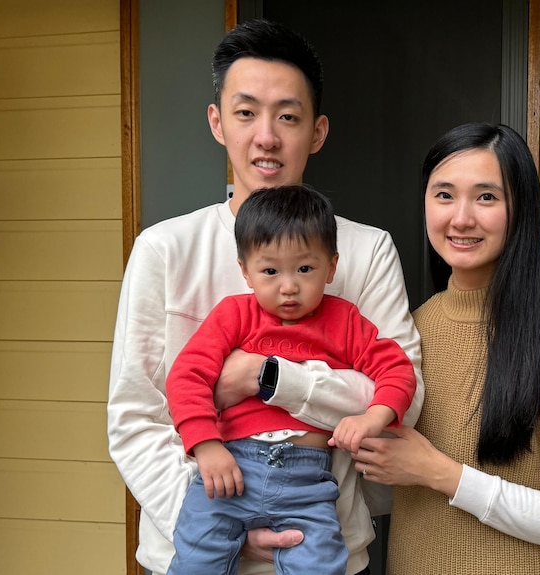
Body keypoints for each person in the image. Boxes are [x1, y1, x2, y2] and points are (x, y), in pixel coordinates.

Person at [107, 18, 423, 575]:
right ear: (217, 122)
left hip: (320, 539)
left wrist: (267, 377)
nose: (266, 136)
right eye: (246, 112)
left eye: (288, 116)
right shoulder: (164, 248)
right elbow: (136, 417)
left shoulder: (367, 250)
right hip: (194, 542)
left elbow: (403, 399)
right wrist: (219, 524)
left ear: (318, 131)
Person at [350, 123, 540, 575]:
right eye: (444, 195)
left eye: (486, 197)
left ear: (519, 209)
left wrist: (439, 473)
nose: (461, 218)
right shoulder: (409, 330)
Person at [165, 185, 417, 575]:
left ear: (330, 267)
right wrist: (205, 445)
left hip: (307, 481)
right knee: (195, 557)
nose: (288, 286)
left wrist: (373, 418)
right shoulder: (233, 315)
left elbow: (397, 371)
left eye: (305, 269)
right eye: (270, 271)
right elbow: (187, 377)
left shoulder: (344, 320)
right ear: (245, 271)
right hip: (229, 467)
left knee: (321, 562)